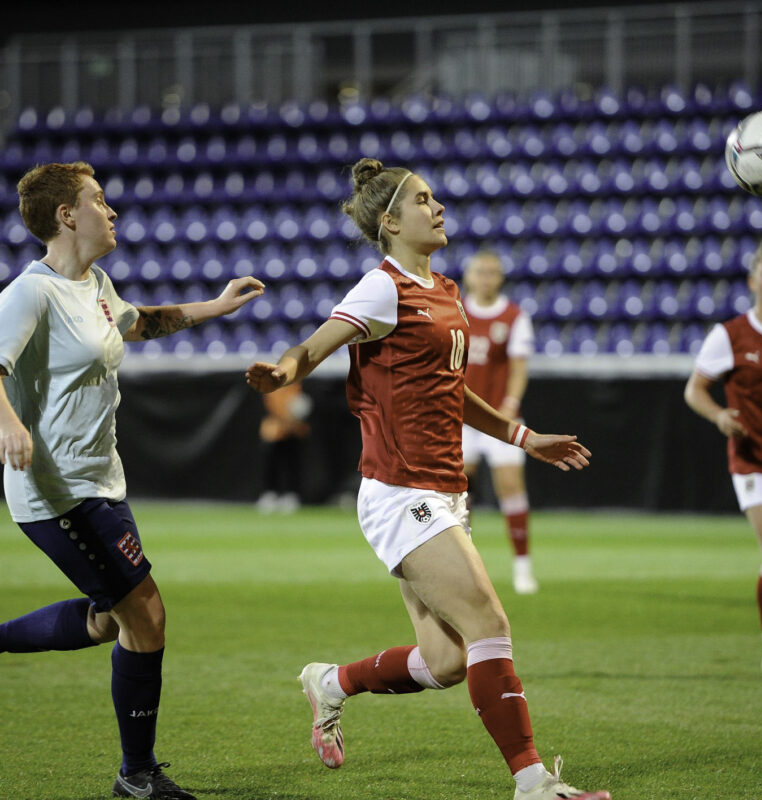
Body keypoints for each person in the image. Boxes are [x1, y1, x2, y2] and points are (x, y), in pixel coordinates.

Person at [246, 158, 610, 800]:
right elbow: (315, 346)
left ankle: (330, 682)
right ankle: (532, 782)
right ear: (390, 222)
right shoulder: (382, 287)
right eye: (423, 199)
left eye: (435, 197)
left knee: (444, 662)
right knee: (490, 623)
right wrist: (284, 371)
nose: (437, 207)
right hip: (400, 489)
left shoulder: (443, 288)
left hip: (444, 488)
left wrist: (527, 439)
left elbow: (452, 390)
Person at [0, 161, 264, 799]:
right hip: (56, 492)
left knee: (107, 620)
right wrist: (8, 426)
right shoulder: (28, 294)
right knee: (145, 618)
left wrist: (218, 306)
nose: (111, 211)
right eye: (98, 201)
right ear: (67, 216)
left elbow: (139, 322)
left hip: (101, 484)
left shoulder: (94, 283)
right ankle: (137, 776)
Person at [685, 243, 762, 680]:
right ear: (753, 281)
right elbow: (694, 390)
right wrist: (719, 415)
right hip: (756, 461)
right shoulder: (730, 335)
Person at [461, 249, 538, 593]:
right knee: (459, 492)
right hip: (461, 417)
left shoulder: (513, 316)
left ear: (500, 278)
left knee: (510, 486)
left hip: (499, 417)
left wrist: (511, 402)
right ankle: (464, 566)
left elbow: (519, 367)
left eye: (492, 272)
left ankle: (522, 566)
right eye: (481, 272)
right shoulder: (457, 310)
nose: (486, 279)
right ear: (470, 277)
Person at [255, 382, 311, 513]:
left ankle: (291, 495)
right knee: (271, 465)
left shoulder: (297, 385)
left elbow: (301, 404)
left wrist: (294, 421)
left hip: (294, 431)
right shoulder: (272, 385)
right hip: (274, 431)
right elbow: (271, 404)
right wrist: (286, 419)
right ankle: (270, 494)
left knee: (293, 465)